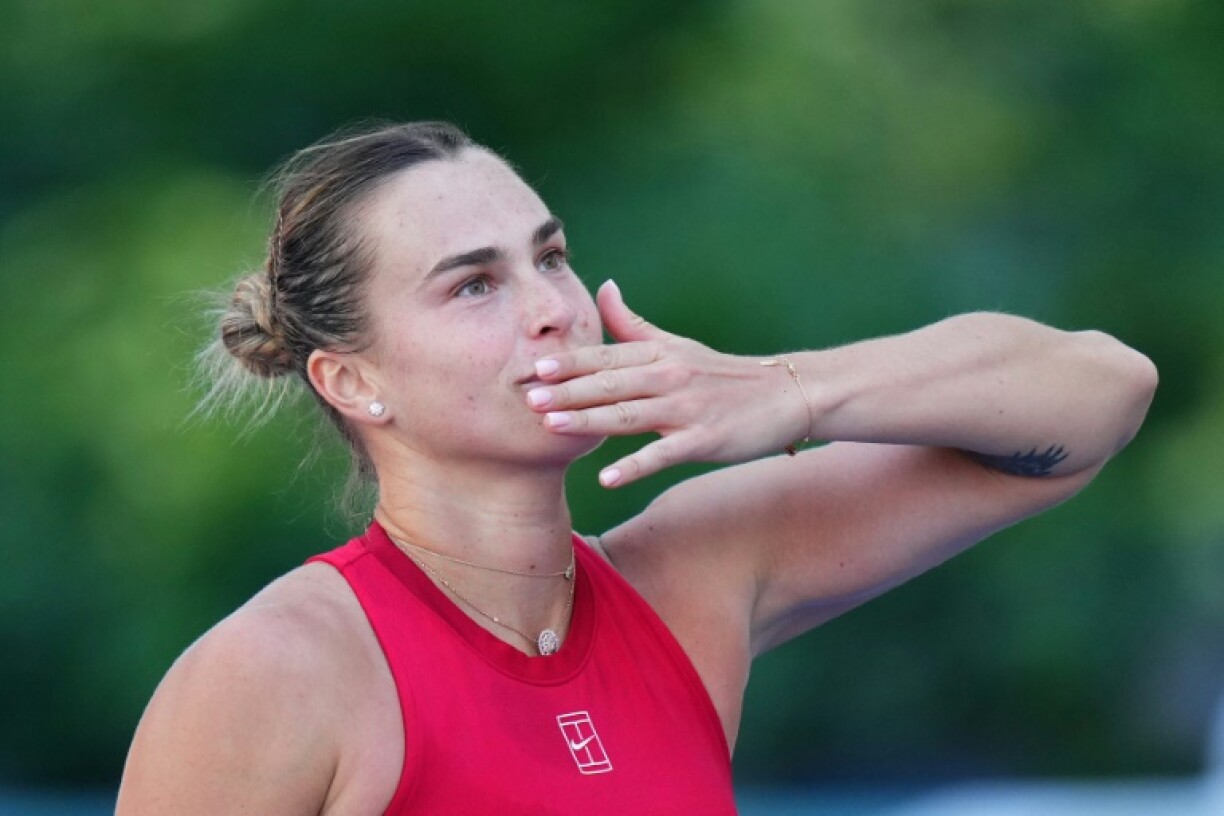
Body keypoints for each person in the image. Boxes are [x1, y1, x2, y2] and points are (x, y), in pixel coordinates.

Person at [115, 121, 1158, 814]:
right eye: (474, 285)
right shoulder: (277, 671)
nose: (552, 309)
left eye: (550, 257)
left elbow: (1102, 394)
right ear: (352, 381)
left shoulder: (695, 580)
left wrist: (790, 389)